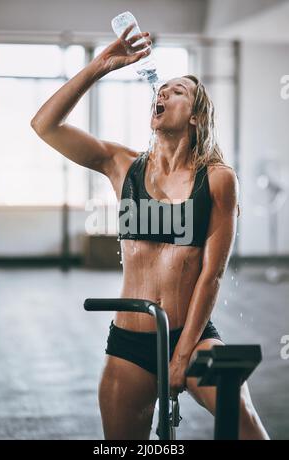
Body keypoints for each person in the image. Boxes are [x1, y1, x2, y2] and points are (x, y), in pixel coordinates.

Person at [31, 24, 270, 440]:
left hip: (192, 337)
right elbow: (45, 125)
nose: (163, 92)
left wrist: (181, 356)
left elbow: (211, 275)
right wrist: (101, 65)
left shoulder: (217, 180)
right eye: (162, 90)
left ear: (196, 115)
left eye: (178, 91)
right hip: (130, 342)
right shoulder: (122, 165)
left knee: (242, 417)